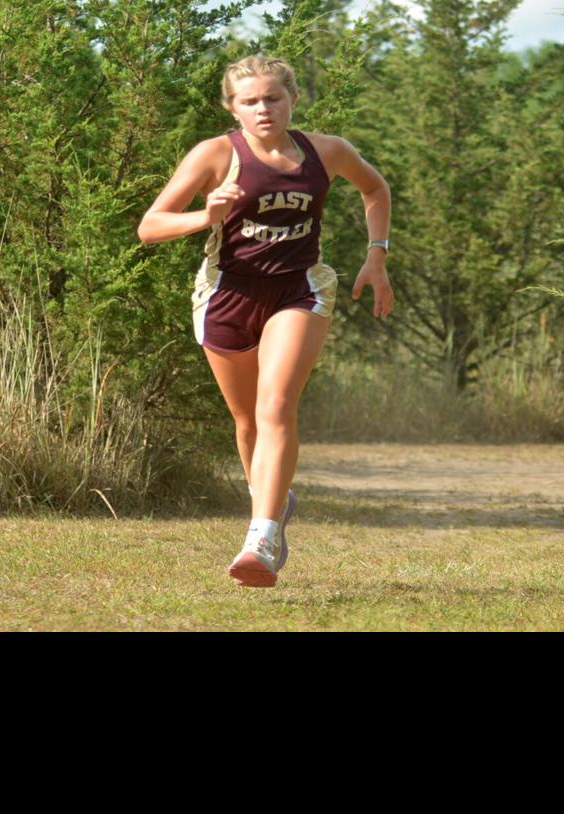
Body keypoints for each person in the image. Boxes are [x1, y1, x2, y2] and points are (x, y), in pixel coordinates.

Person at [139, 55, 394, 587]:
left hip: (298, 289)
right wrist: (207, 216)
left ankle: (261, 536)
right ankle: (274, 503)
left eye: (272, 99)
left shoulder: (327, 151)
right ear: (232, 108)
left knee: (277, 404)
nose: (263, 109)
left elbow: (375, 188)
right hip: (227, 293)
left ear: (292, 100)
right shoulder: (215, 155)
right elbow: (151, 226)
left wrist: (377, 256)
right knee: (248, 422)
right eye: (249, 101)